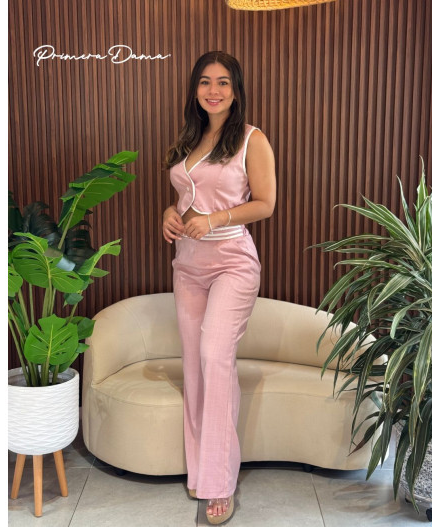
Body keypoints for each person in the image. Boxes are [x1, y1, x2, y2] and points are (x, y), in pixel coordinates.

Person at [162, 51, 276, 524]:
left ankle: (220, 484)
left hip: (232, 262)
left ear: (236, 90)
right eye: (206, 82)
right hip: (188, 266)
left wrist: (214, 220)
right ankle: (201, 470)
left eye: (223, 82)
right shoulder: (188, 139)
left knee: (214, 356)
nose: (214, 90)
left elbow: (265, 204)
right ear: (195, 90)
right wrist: (170, 215)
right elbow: (185, 198)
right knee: (195, 366)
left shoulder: (252, 139)